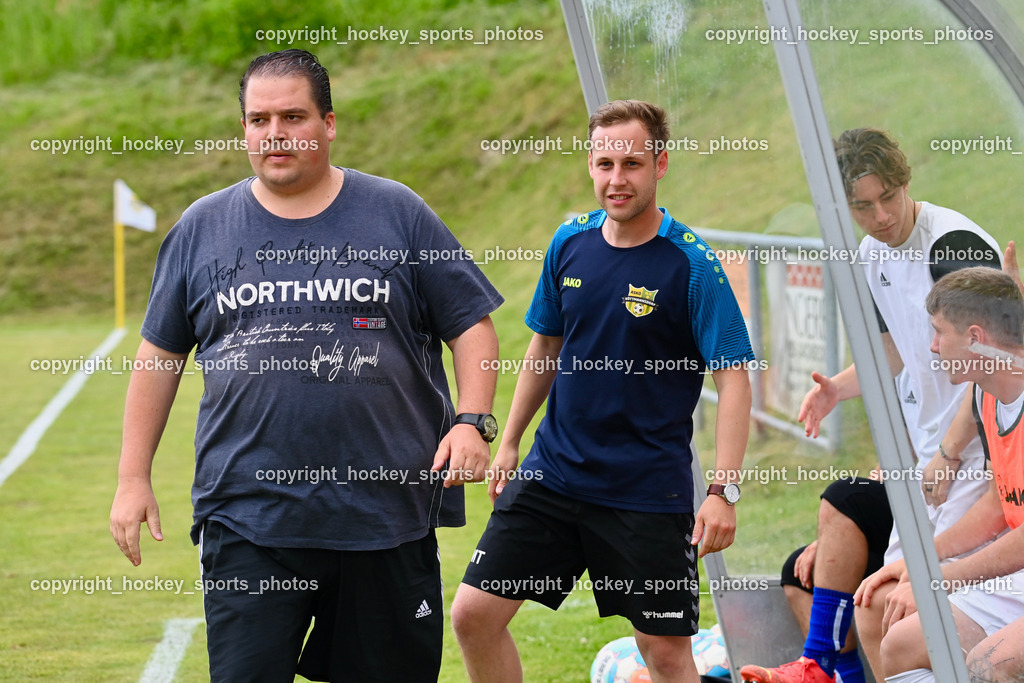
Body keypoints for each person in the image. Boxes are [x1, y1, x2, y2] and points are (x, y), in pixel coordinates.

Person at [108, 49, 503, 682]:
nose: (275, 133)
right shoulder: (202, 228)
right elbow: (159, 356)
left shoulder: (396, 211)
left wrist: (471, 420)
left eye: (293, 116)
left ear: (328, 123)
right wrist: (133, 478)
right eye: (259, 120)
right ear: (243, 129)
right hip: (249, 517)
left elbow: (471, 326)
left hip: (384, 515)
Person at [449, 99, 755, 683]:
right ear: (590, 164)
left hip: (645, 493)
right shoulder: (569, 241)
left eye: (632, 164)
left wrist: (724, 489)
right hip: (554, 475)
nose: (617, 179)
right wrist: (510, 441)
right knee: (474, 615)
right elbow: (543, 348)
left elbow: (733, 377)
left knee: (663, 655)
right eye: (605, 163)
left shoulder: (692, 265)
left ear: (660, 163)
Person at [740, 128, 1000, 683]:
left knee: (906, 609)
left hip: (976, 460)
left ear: (907, 181)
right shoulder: (868, 255)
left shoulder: (953, 247)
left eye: (889, 197)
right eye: (863, 206)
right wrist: (837, 387)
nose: (881, 216)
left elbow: (993, 364)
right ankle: (824, 668)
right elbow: (895, 356)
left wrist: (950, 454)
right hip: (928, 461)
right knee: (876, 604)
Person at [854, 264, 1024, 682]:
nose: (931, 347)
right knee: (882, 619)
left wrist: (938, 576)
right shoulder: (987, 395)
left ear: (975, 339)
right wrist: (923, 559)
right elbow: (1001, 504)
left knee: (988, 664)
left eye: (938, 332)